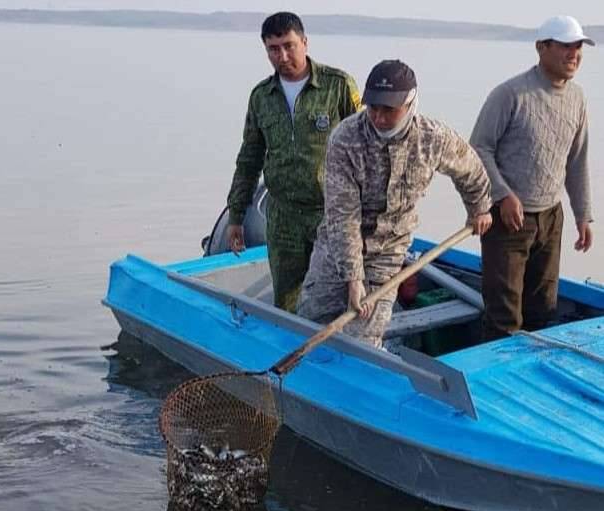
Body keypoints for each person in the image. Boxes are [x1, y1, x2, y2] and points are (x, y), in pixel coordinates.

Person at [297, 59, 493, 348]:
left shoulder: (433, 138)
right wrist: (352, 277)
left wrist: (479, 209)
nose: (378, 117)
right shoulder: (345, 139)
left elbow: (471, 171)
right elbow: (343, 216)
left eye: (388, 109)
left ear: (411, 103)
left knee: (361, 341)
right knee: (310, 324)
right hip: (335, 250)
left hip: (387, 253)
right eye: (372, 107)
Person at [226, 11, 361, 312]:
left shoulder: (338, 86)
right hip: (283, 217)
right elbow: (249, 158)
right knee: (287, 299)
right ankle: (293, 354)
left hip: (330, 214)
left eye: (289, 45)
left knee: (338, 296)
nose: (283, 55)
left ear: (304, 42)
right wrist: (236, 215)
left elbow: (364, 149)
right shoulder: (261, 96)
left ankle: (336, 354)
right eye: (274, 49)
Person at [470, 15, 595, 341]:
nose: (574, 54)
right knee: (504, 315)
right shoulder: (511, 94)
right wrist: (502, 194)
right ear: (542, 47)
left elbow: (577, 160)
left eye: (578, 46)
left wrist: (583, 215)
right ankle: (495, 381)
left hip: (551, 218)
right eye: (565, 45)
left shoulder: (578, 97)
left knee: (543, 307)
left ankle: (532, 375)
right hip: (508, 219)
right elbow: (479, 148)